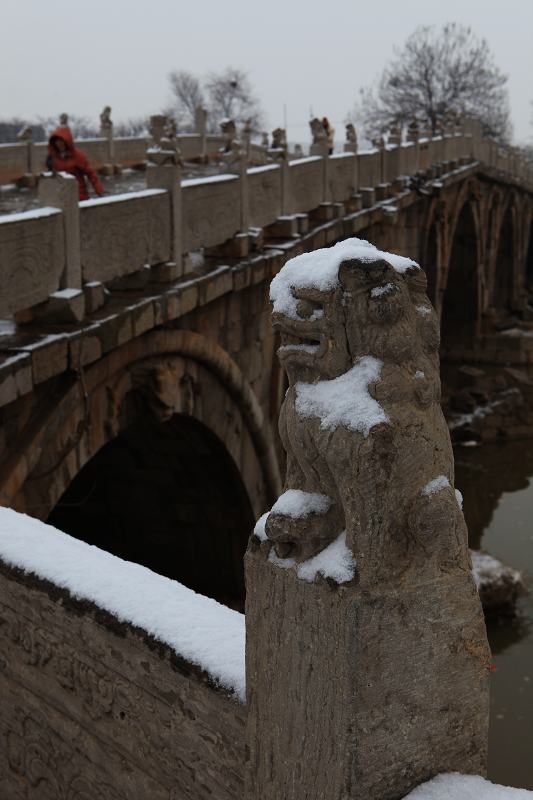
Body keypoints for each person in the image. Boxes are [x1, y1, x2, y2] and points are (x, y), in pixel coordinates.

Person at [46, 125, 104, 201]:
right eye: (57, 142)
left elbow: (91, 174)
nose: (59, 144)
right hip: (62, 197)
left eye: (61, 141)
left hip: (79, 196)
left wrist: (99, 190)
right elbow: (52, 178)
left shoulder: (78, 156)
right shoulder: (53, 157)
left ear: (67, 141)